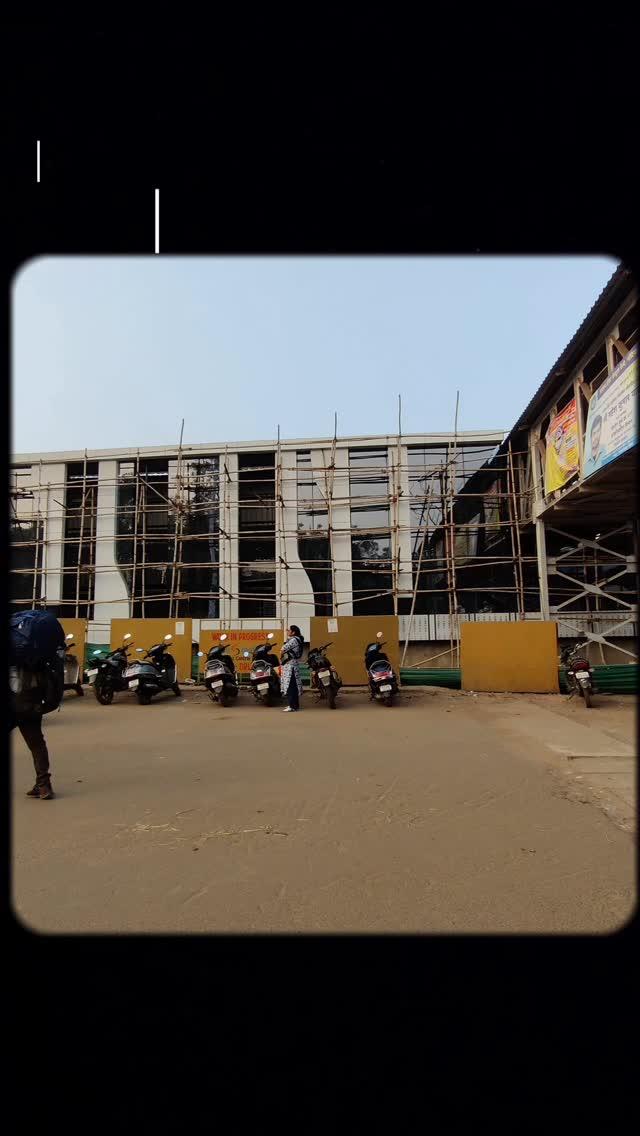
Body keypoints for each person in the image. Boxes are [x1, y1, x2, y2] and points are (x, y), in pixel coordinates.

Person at [280, 625, 304, 713]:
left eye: (289, 630)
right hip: (294, 664)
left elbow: (283, 649)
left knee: (290, 686)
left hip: (290, 665)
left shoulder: (293, 640)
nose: (288, 631)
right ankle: (294, 705)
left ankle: (291, 706)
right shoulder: (297, 639)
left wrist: (281, 655)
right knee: (293, 686)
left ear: (293, 632)